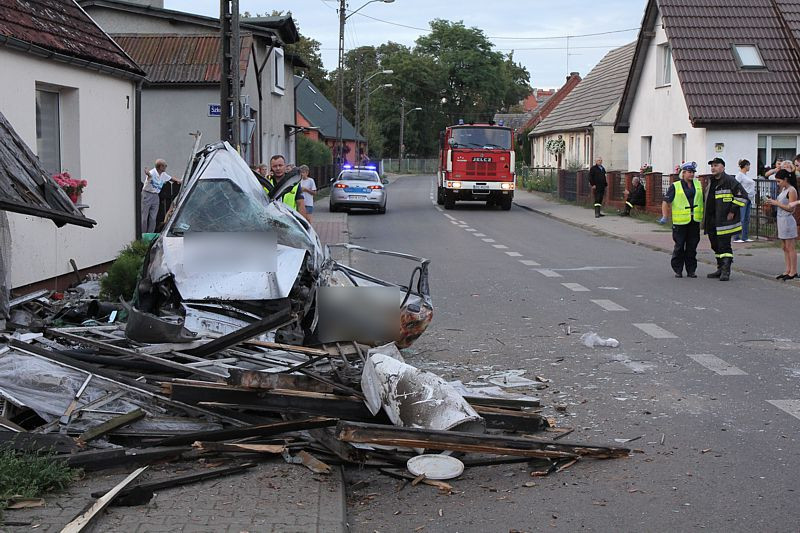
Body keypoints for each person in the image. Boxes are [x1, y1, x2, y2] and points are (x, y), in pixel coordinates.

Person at [704, 157, 748, 281]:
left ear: (723, 167)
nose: (713, 168)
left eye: (716, 165)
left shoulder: (730, 180)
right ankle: (719, 267)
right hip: (712, 219)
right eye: (712, 165)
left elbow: (742, 196)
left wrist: (732, 210)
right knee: (715, 245)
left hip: (724, 220)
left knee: (724, 246)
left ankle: (726, 270)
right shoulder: (711, 181)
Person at [660, 162, 703, 278]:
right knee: (679, 246)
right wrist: (665, 216)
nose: (691, 174)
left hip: (694, 221)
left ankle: (691, 270)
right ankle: (678, 269)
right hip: (680, 222)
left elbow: (701, 201)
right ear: (683, 173)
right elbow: (666, 202)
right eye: (689, 172)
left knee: (692, 247)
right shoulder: (676, 186)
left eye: (693, 172)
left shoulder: (698, 184)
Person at [765, 169, 798, 280]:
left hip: (788, 220)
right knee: (784, 247)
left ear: (785, 179)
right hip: (781, 219)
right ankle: (788, 269)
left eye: (779, 181)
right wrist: (773, 202)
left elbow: (791, 208)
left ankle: (793, 271)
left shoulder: (791, 190)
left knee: (790, 247)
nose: (778, 184)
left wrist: (776, 203)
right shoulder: (784, 189)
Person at [141, 159, 179, 233]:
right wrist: (147, 174)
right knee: (144, 217)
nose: (166, 167)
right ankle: (143, 234)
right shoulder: (152, 173)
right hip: (147, 194)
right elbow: (149, 177)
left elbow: (171, 178)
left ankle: (150, 234)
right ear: (161, 166)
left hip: (156, 196)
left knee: (153, 217)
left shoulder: (163, 174)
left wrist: (180, 181)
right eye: (165, 165)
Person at [733, 159, 755, 242]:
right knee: (740, 218)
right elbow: (735, 185)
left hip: (749, 198)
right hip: (743, 198)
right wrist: (740, 194)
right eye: (748, 165)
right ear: (745, 166)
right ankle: (736, 237)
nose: (749, 167)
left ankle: (745, 236)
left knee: (746, 218)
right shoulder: (740, 175)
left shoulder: (745, 175)